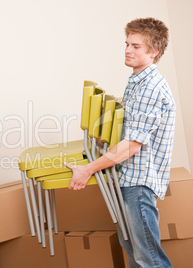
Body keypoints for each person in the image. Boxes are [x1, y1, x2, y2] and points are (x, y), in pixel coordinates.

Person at [64, 17, 175, 268]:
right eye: (127, 44)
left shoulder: (151, 88)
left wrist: (89, 169)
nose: (127, 50)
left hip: (139, 182)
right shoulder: (137, 81)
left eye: (136, 46)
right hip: (128, 179)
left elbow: (133, 145)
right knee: (137, 257)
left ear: (154, 52)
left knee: (149, 260)